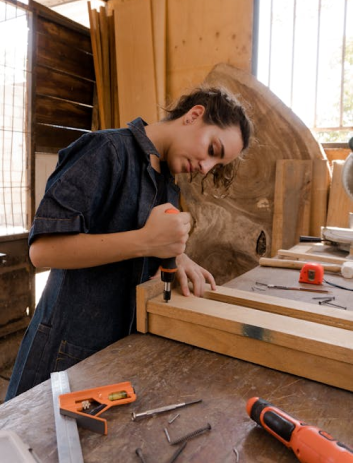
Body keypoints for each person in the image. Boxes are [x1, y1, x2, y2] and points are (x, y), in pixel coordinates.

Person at [6, 85, 252, 400]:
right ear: (194, 115)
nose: (205, 167)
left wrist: (177, 257)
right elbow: (43, 250)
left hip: (117, 353)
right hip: (64, 357)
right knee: (23, 443)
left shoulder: (167, 179)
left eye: (216, 165)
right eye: (213, 149)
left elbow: (141, 246)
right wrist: (146, 241)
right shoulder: (106, 150)